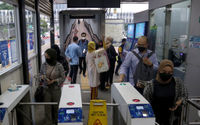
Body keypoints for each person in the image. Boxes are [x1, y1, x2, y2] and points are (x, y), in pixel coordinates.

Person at [143, 59, 187, 125]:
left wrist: (179, 102)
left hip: (172, 119)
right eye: (164, 71)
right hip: (155, 120)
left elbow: (185, 95)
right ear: (159, 70)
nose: (167, 74)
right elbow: (145, 104)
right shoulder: (151, 86)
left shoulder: (177, 83)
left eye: (170, 72)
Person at [40, 48, 65, 125]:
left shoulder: (59, 66)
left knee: (56, 107)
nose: (46, 58)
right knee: (47, 107)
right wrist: (42, 77)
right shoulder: (43, 65)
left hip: (56, 89)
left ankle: (57, 121)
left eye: (47, 57)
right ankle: (48, 122)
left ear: (52, 56)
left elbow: (63, 77)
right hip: (46, 89)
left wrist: (54, 81)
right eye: (45, 56)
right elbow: (40, 74)